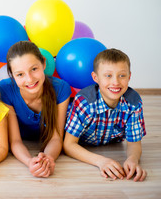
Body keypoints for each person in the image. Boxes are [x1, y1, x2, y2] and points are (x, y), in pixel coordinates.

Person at [63, 48, 147, 182]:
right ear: (95, 78)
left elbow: (134, 144)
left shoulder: (133, 103)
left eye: (122, 75)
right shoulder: (85, 103)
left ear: (129, 76)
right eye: (108, 75)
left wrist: (133, 159)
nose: (116, 82)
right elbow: (68, 145)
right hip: (77, 138)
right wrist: (100, 161)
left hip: (107, 140)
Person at [0, 41, 71, 178]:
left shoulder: (61, 88)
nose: (29, 79)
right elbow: (15, 141)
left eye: (34, 69)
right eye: (20, 74)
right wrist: (30, 162)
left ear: (43, 63)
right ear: (12, 75)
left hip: (50, 145)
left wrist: (48, 159)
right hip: (22, 145)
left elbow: (56, 137)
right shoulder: (5, 90)